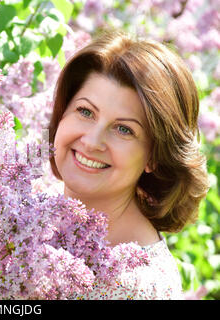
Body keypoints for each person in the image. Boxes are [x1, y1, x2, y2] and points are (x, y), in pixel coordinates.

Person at [48, 28, 210, 299]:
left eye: (124, 129)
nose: (92, 141)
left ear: (154, 157)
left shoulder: (139, 286)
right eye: (85, 111)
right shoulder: (25, 205)